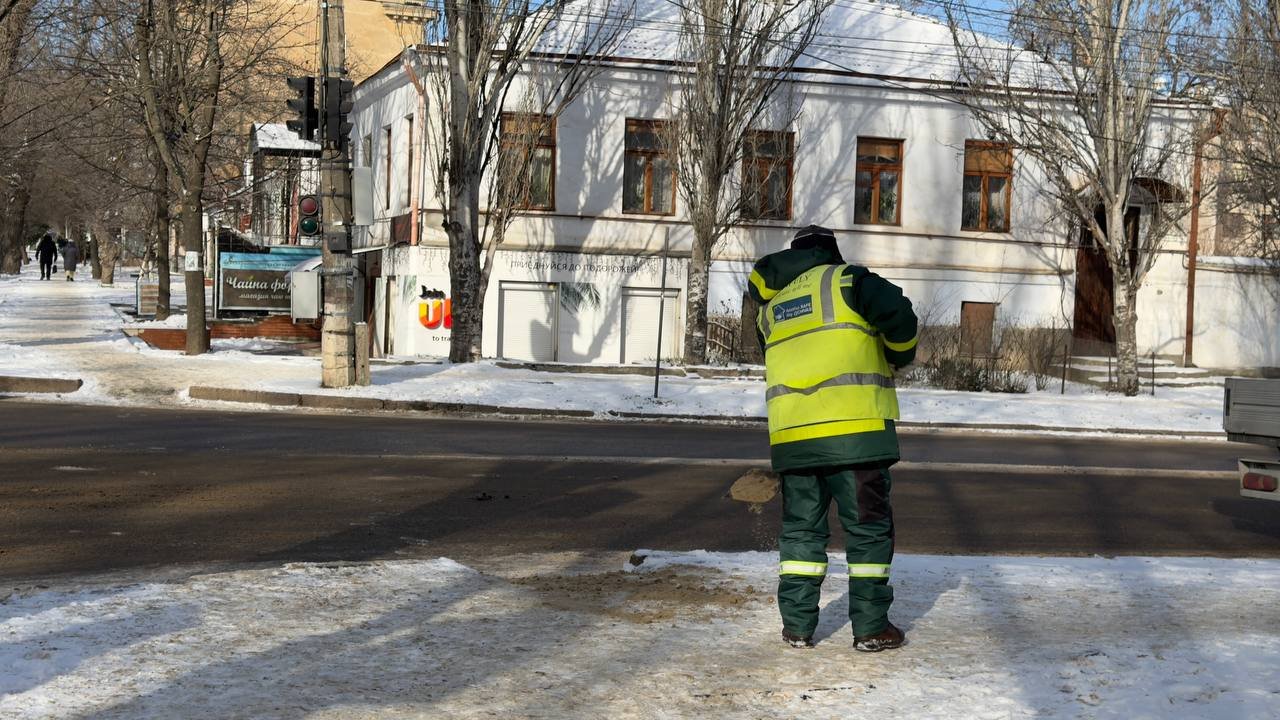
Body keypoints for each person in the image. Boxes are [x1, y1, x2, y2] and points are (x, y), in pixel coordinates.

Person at [748, 224, 918, 653]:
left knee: (801, 534)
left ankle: (798, 628)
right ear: (831, 252)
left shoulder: (770, 307)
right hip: (854, 435)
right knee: (867, 531)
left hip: (794, 440)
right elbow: (899, 314)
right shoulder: (848, 280)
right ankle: (871, 628)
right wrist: (899, 355)